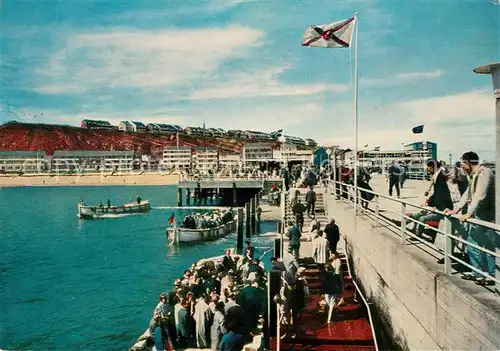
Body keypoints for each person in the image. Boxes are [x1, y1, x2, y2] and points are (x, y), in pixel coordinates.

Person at [445, 151, 495, 286]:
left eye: (463, 165)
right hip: (478, 214)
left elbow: (480, 195)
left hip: (489, 216)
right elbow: (468, 194)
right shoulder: (472, 175)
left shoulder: (485, 173)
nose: (462, 168)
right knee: (472, 243)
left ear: (468, 162)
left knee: (490, 246)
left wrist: (468, 213)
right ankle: (477, 272)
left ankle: (492, 276)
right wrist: (457, 209)